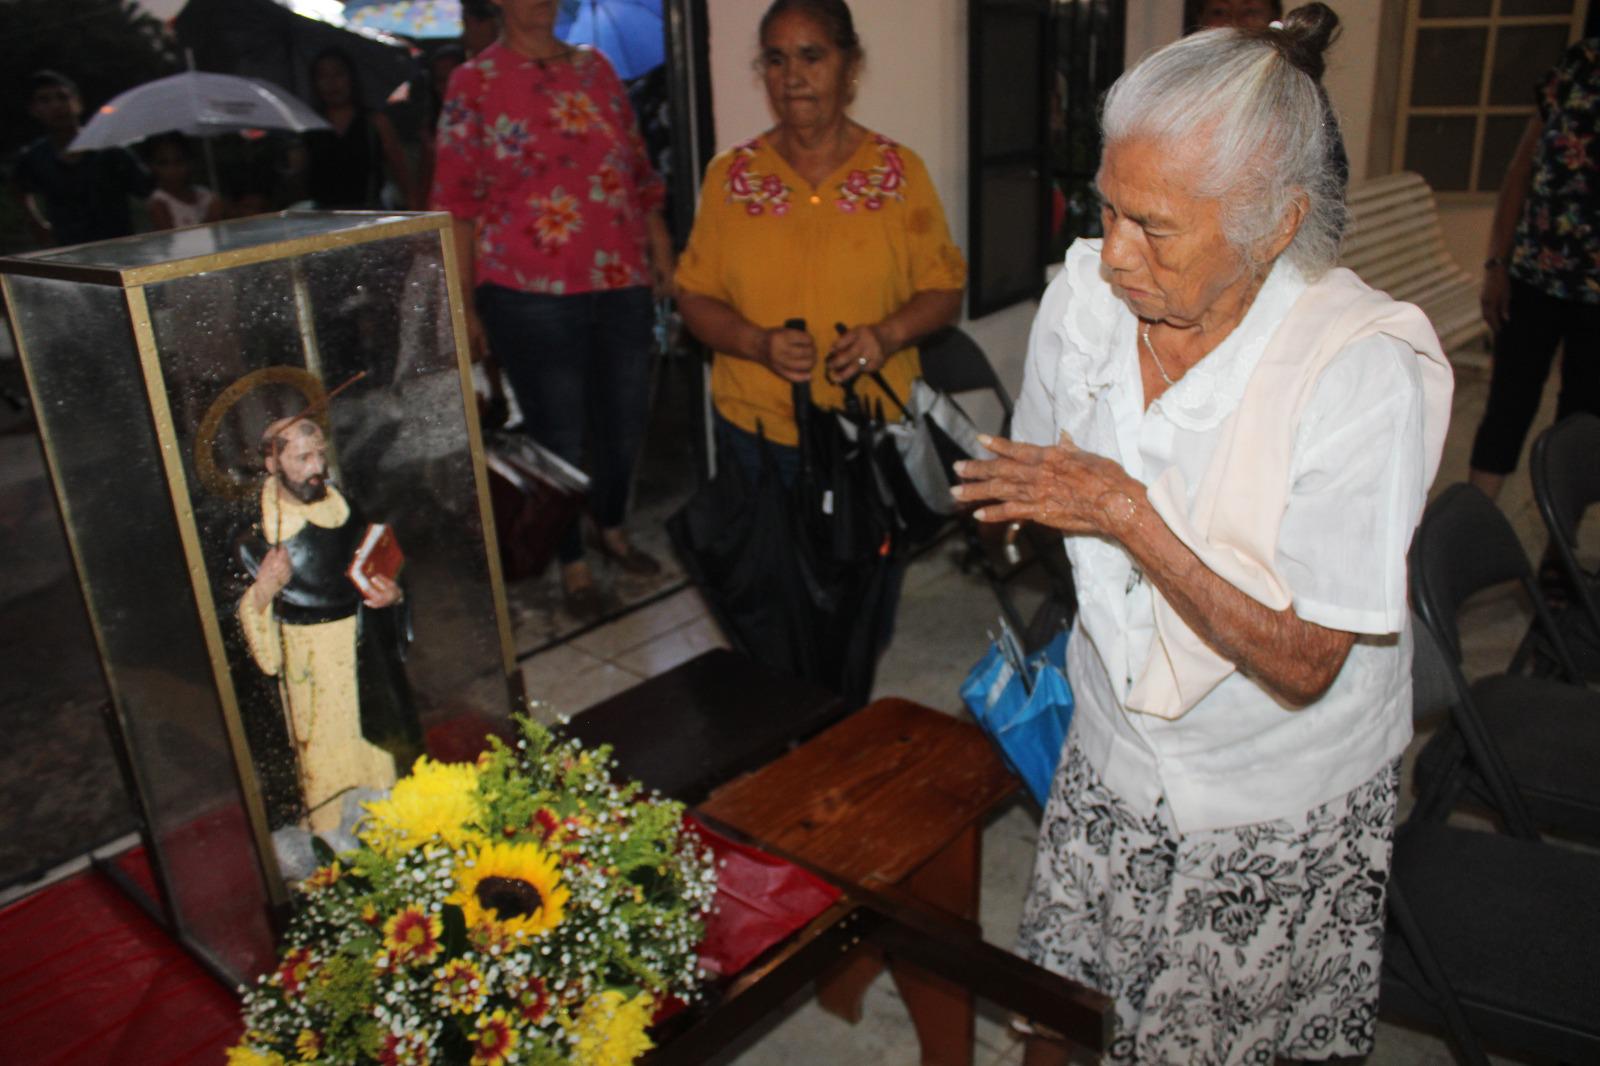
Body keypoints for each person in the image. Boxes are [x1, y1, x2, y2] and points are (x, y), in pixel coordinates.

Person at [953, 7, 1453, 1063]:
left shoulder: (1357, 372)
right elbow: (1043, 476)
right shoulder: (1084, 298)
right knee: (1066, 1004)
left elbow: (1308, 659)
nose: (1115, 256)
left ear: (1274, 225)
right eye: (1107, 209)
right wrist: (1010, 499)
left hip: (1272, 792)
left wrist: (1130, 516)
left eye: (1156, 228)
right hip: (1111, 749)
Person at [432, 0, 675, 620]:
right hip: (525, 291)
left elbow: (640, 173)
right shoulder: (474, 83)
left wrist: (661, 250)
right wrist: (465, 309)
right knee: (558, 435)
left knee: (624, 421)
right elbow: (456, 206)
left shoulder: (598, 71)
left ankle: (611, 526)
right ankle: (569, 560)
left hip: (620, 277)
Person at [674, 0, 966, 485]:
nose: (792, 76)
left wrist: (886, 336)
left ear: (850, 66)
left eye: (812, 56)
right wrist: (757, 343)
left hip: (872, 427)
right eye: (775, 59)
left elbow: (945, 290)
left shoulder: (898, 173)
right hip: (756, 433)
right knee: (765, 561)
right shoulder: (730, 176)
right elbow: (693, 295)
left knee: (870, 561)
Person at [236, 415, 421, 834]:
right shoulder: (255, 539)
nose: (316, 467)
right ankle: (330, 845)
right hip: (312, 678)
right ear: (272, 463)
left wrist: (393, 595)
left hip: (364, 658)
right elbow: (238, 632)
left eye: (320, 453)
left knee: (379, 759)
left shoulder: (348, 513)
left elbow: (388, 568)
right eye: (302, 457)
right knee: (324, 769)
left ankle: (394, 832)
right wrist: (264, 589)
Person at [1469, 38, 1600, 504]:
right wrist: (1496, 264)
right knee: (1508, 405)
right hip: (1535, 277)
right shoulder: (1576, 69)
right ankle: (1473, 526)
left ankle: (1557, 553)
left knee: (1583, 422)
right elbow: (1520, 173)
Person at [14, 70, 154, 248]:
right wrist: (37, 223)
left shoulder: (110, 150)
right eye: (44, 100)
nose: (56, 105)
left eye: (63, 97)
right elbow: (20, 188)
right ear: (34, 110)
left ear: (78, 103)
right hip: (69, 253)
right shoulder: (34, 157)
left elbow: (149, 189)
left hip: (120, 250)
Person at [302, 47, 418, 210]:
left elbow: (401, 172)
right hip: (322, 219)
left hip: (368, 215)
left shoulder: (375, 122)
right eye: (323, 76)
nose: (331, 83)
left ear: (351, 78)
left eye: (338, 74)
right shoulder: (308, 125)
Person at [143, 132, 223, 230]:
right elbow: (173, 241)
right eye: (163, 163)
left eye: (179, 161)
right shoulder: (158, 203)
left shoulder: (205, 195)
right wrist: (212, 218)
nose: (172, 170)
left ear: (190, 162)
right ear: (151, 166)